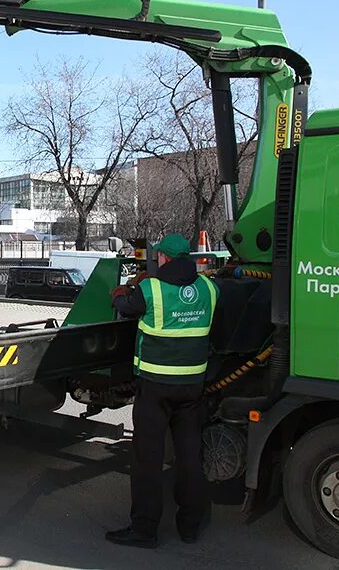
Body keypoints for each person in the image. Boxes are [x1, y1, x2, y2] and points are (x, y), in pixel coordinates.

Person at [105, 233, 218, 549]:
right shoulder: (209, 288)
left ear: (164, 258)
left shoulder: (150, 288)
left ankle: (144, 529)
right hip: (193, 387)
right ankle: (190, 526)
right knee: (189, 456)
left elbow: (123, 305)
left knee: (148, 459)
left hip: (155, 387)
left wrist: (121, 291)